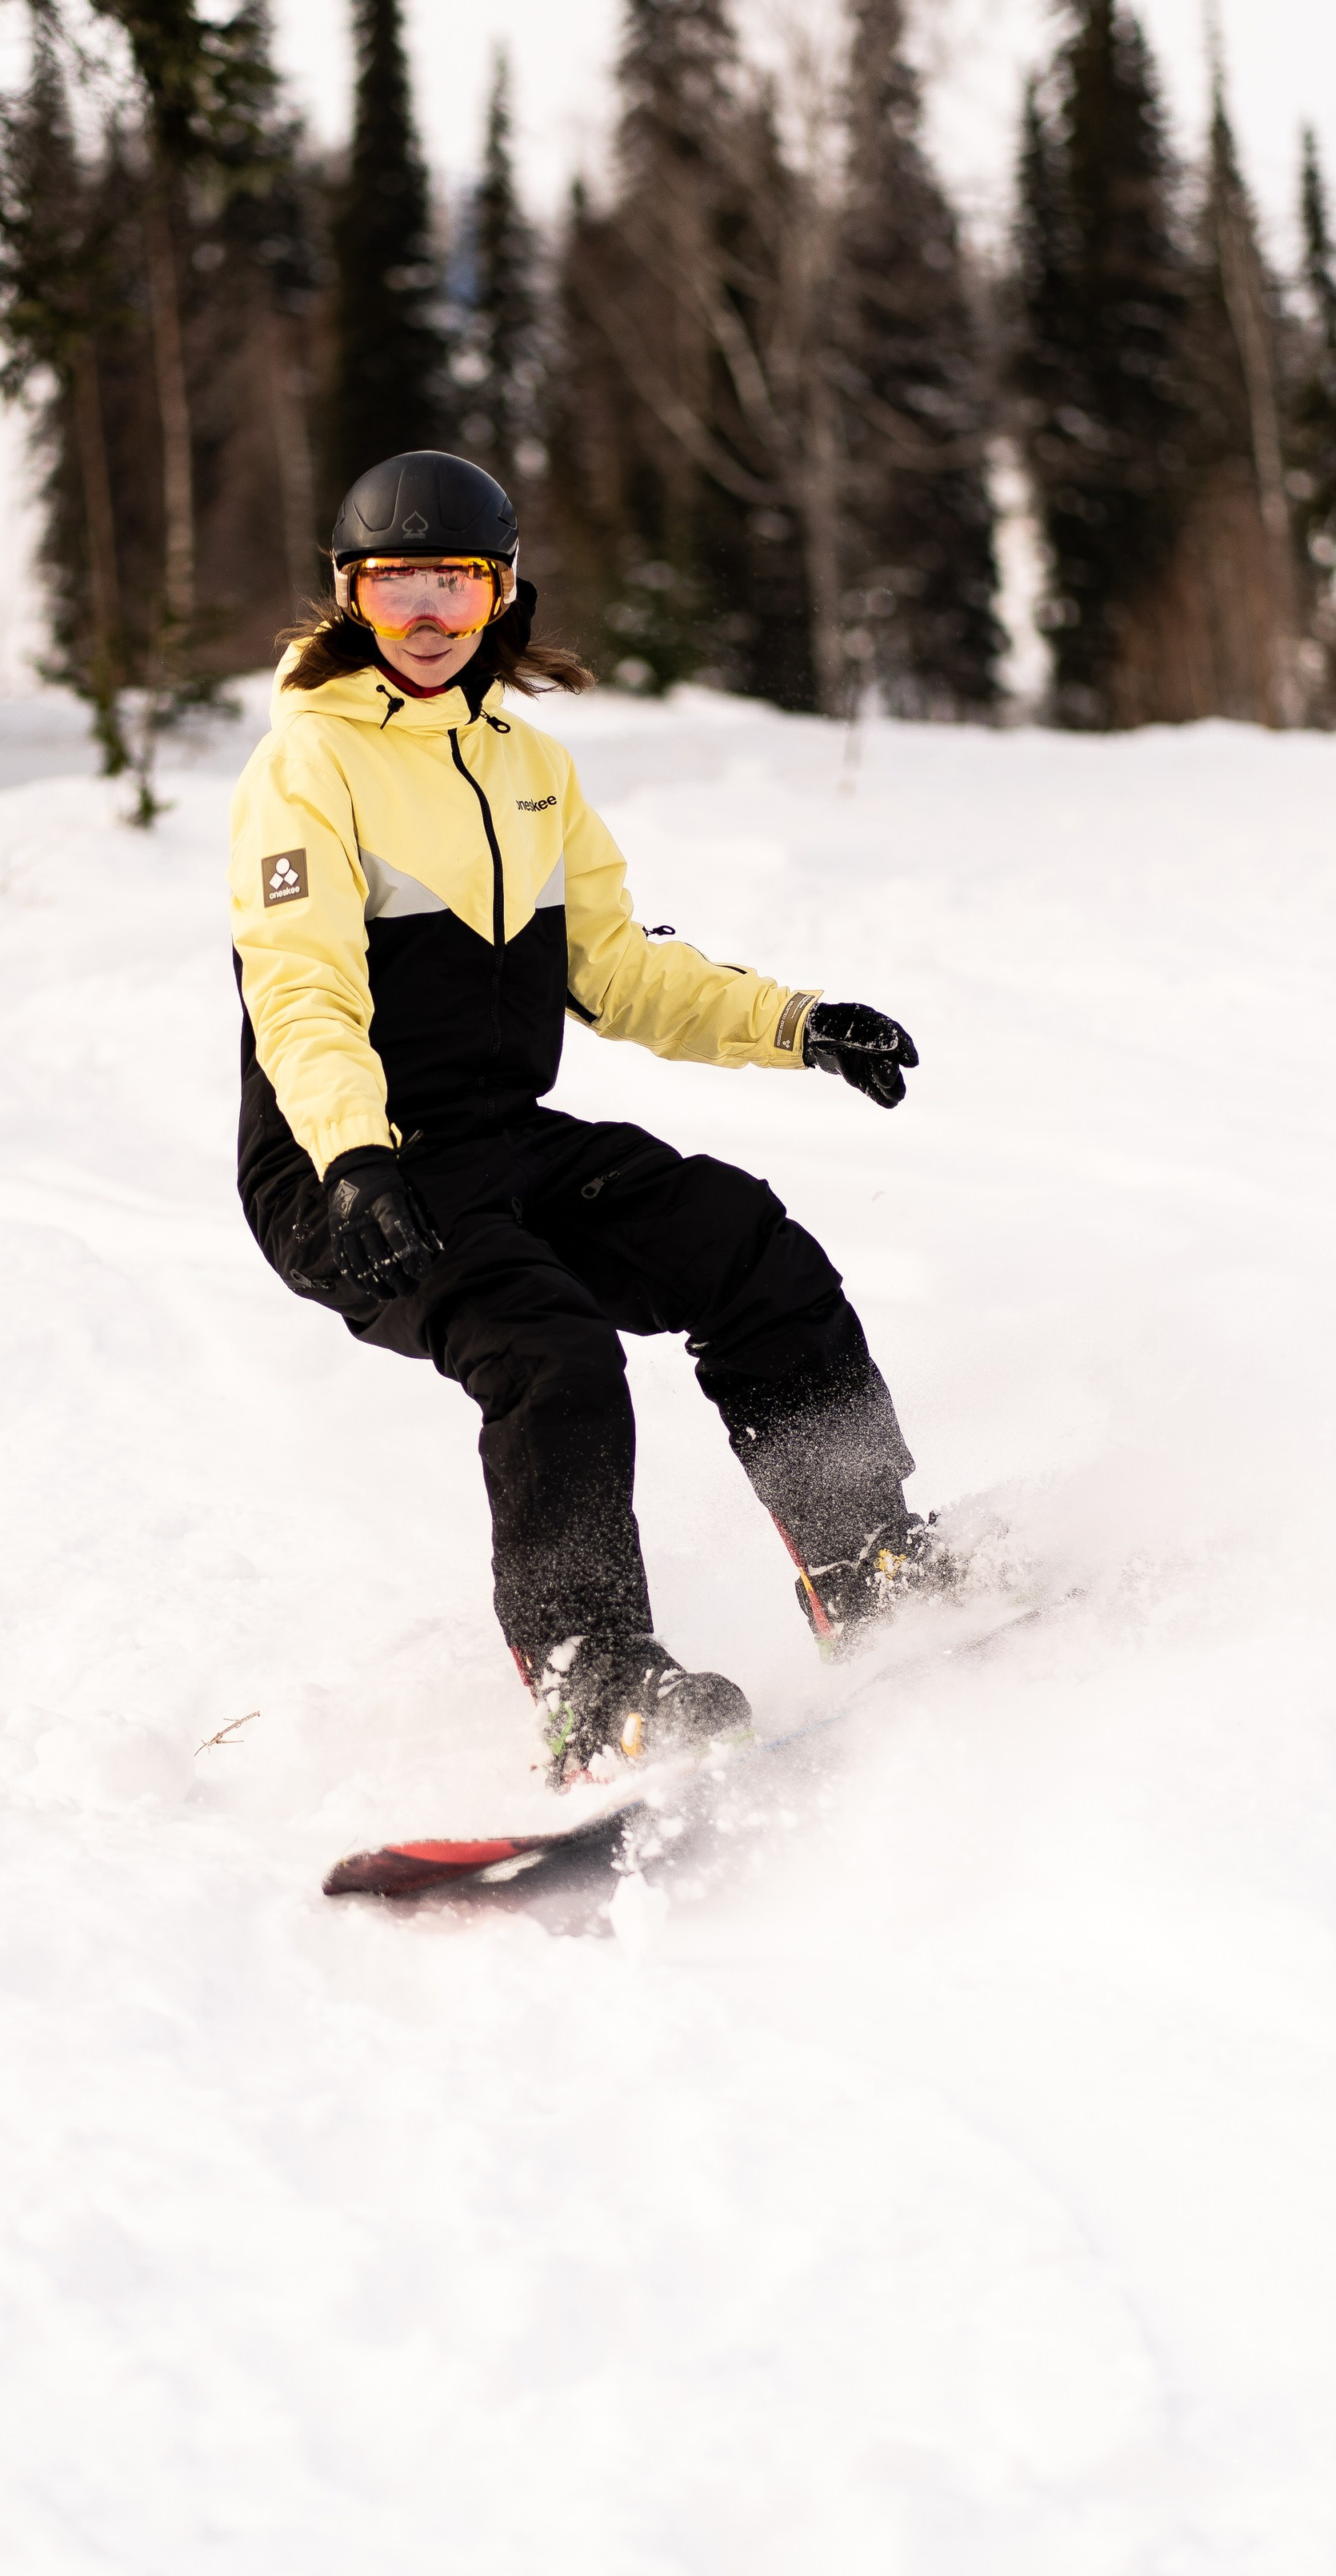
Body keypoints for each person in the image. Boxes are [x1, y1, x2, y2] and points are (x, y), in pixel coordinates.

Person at [230, 450, 931, 1782]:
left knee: (740, 1241)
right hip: (345, 1172)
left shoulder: (531, 769)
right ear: (349, 600)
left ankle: (865, 1553)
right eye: (396, 592)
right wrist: (357, 1158)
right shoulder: (306, 767)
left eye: (456, 586)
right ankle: (591, 1679)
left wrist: (798, 1023)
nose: (428, 620)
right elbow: (301, 990)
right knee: (548, 1347)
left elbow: (614, 969)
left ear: (502, 596)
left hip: (500, 1144)